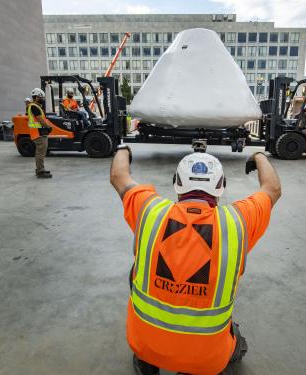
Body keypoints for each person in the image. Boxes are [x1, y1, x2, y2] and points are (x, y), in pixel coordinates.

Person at [110, 146, 281, 375]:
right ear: (221, 187)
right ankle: (193, 367)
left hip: (144, 345)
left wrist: (124, 149)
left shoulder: (150, 211)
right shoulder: (237, 222)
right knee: (236, 339)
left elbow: (118, 176)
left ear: (176, 183)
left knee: (138, 269)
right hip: (206, 359)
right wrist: (259, 156)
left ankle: (147, 361)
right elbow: (273, 189)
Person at [28, 88, 53, 179]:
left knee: (41, 152)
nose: (43, 99)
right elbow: (40, 119)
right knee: (40, 152)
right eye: (41, 97)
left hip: (39, 132)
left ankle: (41, 169)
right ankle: (40, 171)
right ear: (37, 97)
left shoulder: (36, 106)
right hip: (38, 133)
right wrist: (48, 127)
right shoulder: (34, 106)